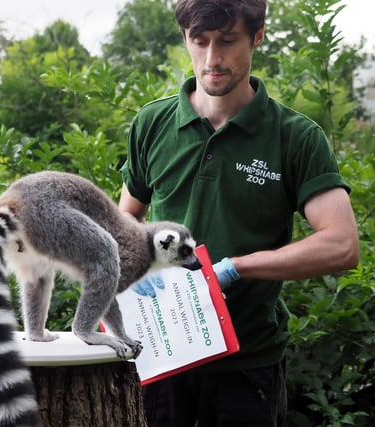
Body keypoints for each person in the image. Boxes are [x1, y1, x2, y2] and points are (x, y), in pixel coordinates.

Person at [118, 0, 360, 425]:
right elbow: (124, 220)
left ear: (258, 36)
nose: (213, 59)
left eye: (228, 41)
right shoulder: (151, 123)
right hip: (160, 355)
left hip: (247, 365)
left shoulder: (296, 137)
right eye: (201, 41)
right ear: (186, 40)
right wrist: (134, 264)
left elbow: (341, 245)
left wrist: (236, 267)